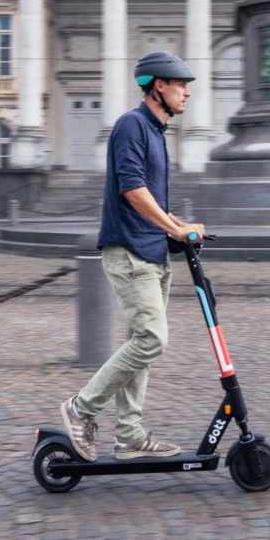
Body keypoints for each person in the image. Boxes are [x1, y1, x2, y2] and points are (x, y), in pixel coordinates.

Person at [60, 51, 206, 462]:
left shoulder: (156, 132)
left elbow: (150, 198)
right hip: (130, 253)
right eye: (181, 85)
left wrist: (176, 223)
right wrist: (173, 228)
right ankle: (81, 407)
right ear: (158, 85)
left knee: (139, 341)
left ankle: (130, 435)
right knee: (150, 339)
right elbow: (131, 188)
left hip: (153, 252)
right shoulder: (131, 125)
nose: (187, 93)